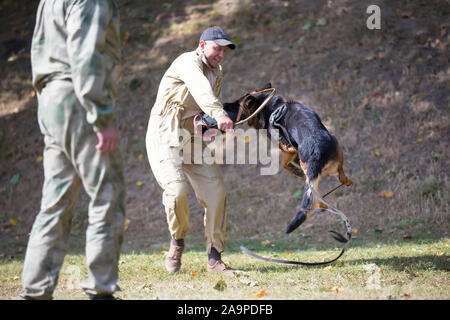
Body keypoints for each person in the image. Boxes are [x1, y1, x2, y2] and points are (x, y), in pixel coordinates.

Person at [21, 0, 125, 300]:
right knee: (107, 195)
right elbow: (85, 53)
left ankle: (35, 291)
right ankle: (100, 290)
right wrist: (101, 116)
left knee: (55, 202)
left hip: (51, 99)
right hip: (78, 98)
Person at [146, 26, 237, 274]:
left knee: (216, 193)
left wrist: (212, 124)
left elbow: (203, 112)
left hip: (192, 137)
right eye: (217, 48)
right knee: (176, 192)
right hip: (165, 133)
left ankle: (215, 258)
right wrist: (218, 113)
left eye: (225, 50)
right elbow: (200, 90)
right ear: (202, 44)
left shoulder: (216, 72)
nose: (221, 54)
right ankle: (177, 244)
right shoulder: (187, 61)